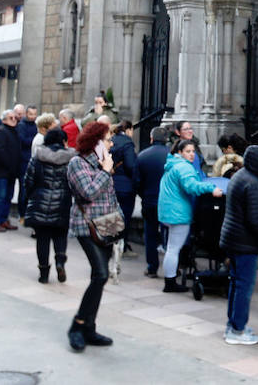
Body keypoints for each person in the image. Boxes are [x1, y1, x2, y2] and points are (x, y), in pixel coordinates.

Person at [65, 121, 118, 352]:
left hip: (107, 224)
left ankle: (89, 326)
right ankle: (77, 325)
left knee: (101, 277)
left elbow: (109, 196)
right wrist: (106, 171)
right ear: (96, 141)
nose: (111, 143)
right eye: (107, 139)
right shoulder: (78, 163)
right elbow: (88, 193)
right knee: (100, 274)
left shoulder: (100, 161)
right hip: (87, 225)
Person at [220, 145, 258, 345]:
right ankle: (237, 329)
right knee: (244, 285)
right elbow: (256, 221)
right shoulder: (253, 185)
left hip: (233, 239)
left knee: (236, 283)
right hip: (245, 243)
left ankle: (233, 324)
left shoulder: (240, 176)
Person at [158, 139, 223, 291]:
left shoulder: (172, 165)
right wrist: (211, 188)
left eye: (193, 151)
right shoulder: (184, 168)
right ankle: (170, 283)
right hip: (178, 213)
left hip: (168, 211)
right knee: (173, 249)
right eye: (188, 151)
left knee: (170, 248)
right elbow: (192, 186)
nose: (192, 154)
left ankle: (170, 280)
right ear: (180, 152)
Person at [24, 125, 73, 283]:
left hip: (40, 202)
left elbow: (28, 181)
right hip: (63, 203)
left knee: (42, 238)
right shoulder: (70, 159)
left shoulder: (38, 157)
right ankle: (60, 261)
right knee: (60, 234)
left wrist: (33, 195)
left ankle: (44, 273)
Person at [134, 125, 171, 278]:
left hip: (150, 200)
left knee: (150, 233)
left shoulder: (142, 156)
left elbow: (136, 181)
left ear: (151, 139)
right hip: (168, 201)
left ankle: (152, 267)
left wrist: (143, 195)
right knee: (169, 234)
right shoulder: (172, 156)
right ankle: (172, 267)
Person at [0, 110, 24, 231]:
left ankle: (4, 219)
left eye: (15, 117)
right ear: (4, 119)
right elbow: (0, 152)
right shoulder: (1, 131)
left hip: (12, 171)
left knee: (8, 197)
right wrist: (9, 165)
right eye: (11, 118)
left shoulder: (14, 131)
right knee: (0, 196)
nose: (14, 119)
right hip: (3, 171)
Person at [109, 120, 138, 250]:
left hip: (111, 182)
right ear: (129, 130)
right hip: (125, 185)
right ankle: (122, 244)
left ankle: (112, 242)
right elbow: (130, 165)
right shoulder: (127, 143)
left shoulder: (111, 139)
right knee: (124, 215)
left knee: (113, 215)